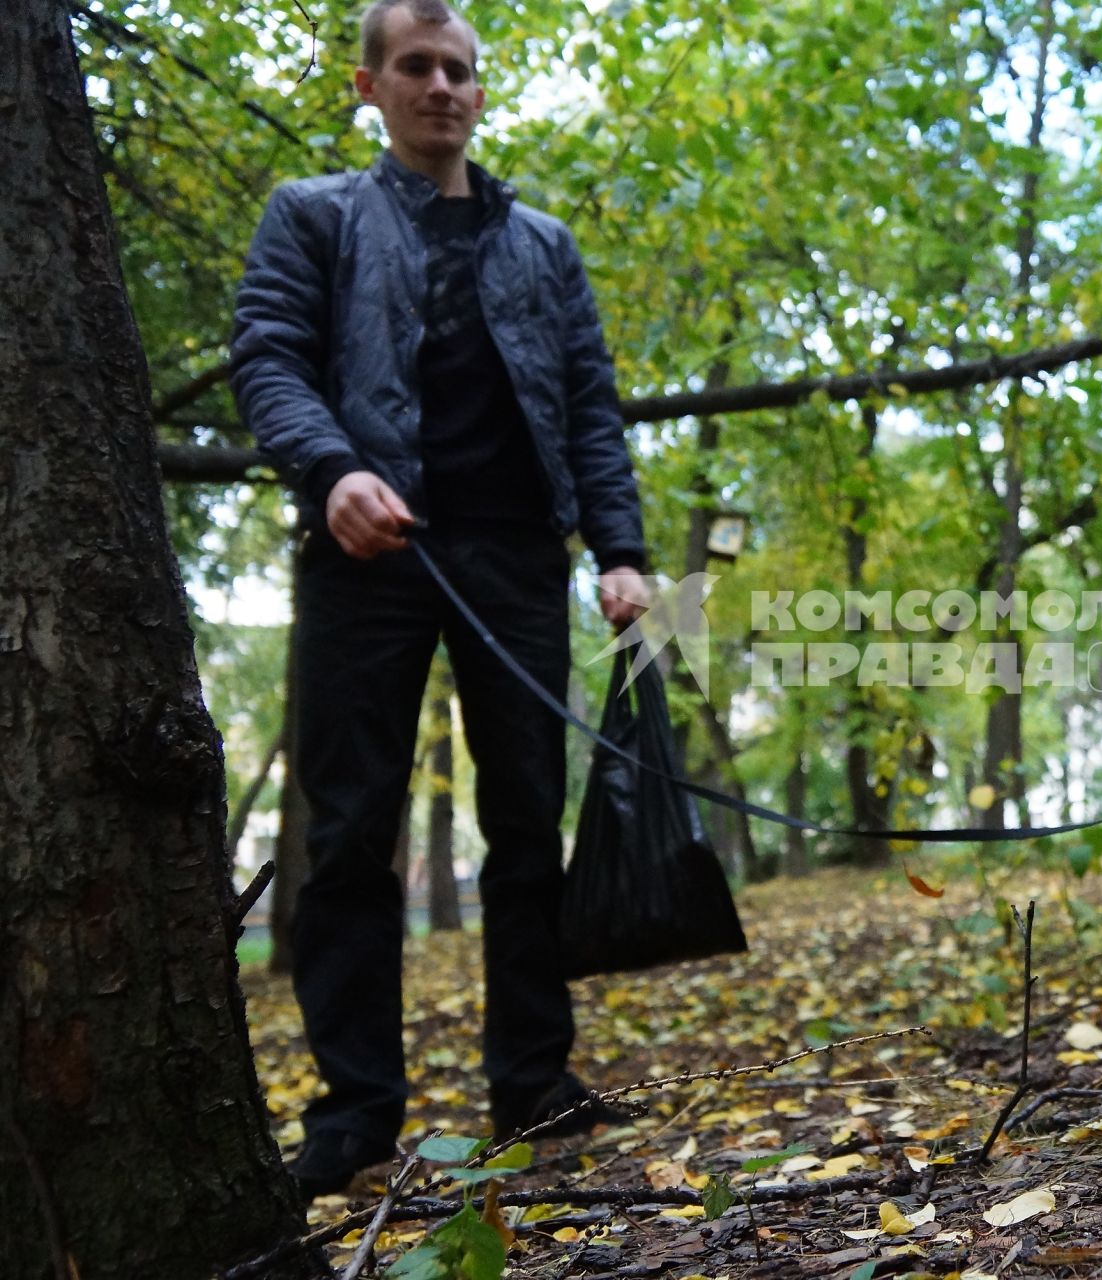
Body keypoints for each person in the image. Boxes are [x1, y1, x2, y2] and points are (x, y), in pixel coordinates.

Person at [231, 0, 653, 1199]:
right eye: (414, 67)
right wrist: (332, 470)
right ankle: (356, 1111)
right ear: (369, 85)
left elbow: (587, 402)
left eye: (458, 69)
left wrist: (617, 551)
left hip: (518, 558)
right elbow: (267, 353)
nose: (440, 87)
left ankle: (534, 1081)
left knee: (527, 826)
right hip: (367, 552)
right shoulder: (312, 215)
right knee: (349, 834)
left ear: (480, 90)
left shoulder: (544, 243)